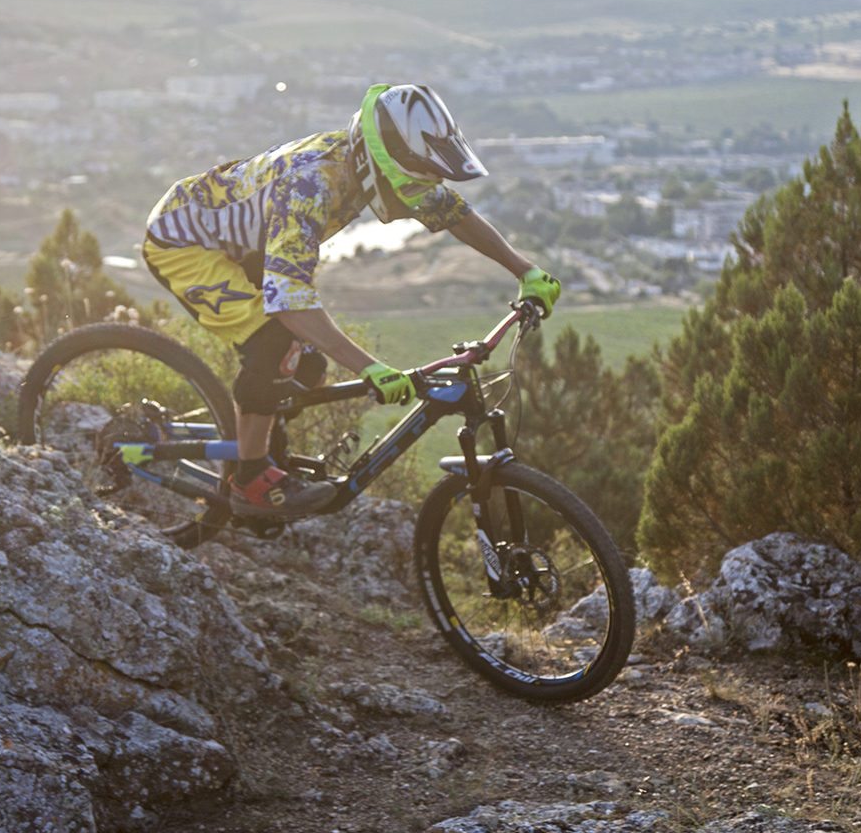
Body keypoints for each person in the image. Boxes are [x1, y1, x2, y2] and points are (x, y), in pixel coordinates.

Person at [141, 83, 561, 519]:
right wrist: (369, 367)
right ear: (378, 165)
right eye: (412, 183)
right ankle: (250, 481)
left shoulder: (370, 165)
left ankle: (264, 440)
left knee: (308, 366)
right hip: (185, 243)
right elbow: (289, 302)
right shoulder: (311, 187)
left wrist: (524, 270)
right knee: (272, 344)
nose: (419, 195)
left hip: (246, 243)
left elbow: (453, 212)